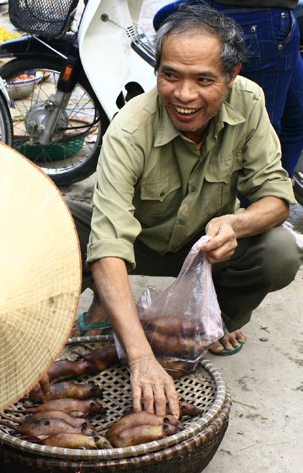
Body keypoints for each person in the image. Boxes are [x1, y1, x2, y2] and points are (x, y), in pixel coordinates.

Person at [69, 2, 301, 417]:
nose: (184, 95)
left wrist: (236, 223)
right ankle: (105, 303)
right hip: (138, 243)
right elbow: (108, 246)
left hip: (204, 249)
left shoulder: (249, 102)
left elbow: (276, 197)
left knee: (280, 252)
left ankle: (212, 321)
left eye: (204, 79)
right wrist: (142, 360)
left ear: (233, 76)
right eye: (170, 75)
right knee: (61, 224)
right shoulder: (129, 129)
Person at [153, 0, 303, 179]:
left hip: (273, 18)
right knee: (256, 143)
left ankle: (275, 193)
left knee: (295, 118)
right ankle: (250, 201)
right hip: (257, 17)